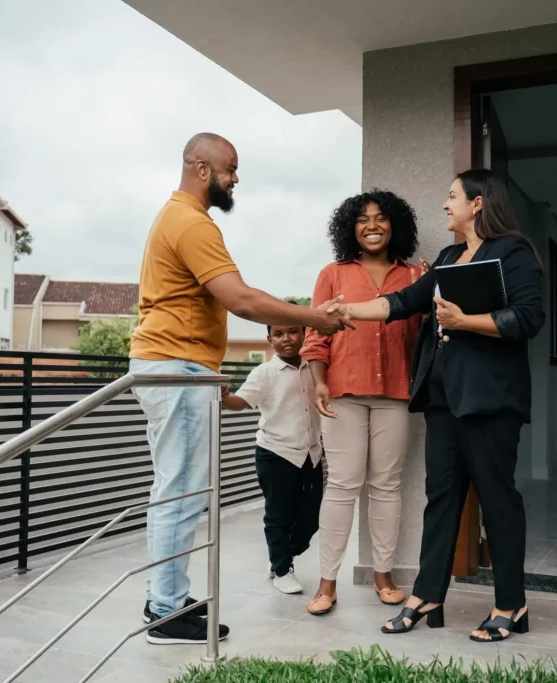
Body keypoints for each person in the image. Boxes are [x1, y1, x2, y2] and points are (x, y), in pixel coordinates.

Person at [129, 132, 351, 645]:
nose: (235, 179)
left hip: (180, 367)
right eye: (230, 169)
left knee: (180, 488)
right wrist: (316, 318)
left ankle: (168, 596)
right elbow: (243, 300)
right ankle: (165, 612)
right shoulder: (188, 220)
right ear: (201, 168)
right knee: (180, 490)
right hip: (174, 366)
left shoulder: (180, 218)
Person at [331, 170, 545, 642]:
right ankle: (428, 594)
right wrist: (342, 310)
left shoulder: (513, 252)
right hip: (444, 400)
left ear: (479, 203)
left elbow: (529, 318)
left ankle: (512, 602)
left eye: (452, 197)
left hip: (491, 401)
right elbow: (401, 302)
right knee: (441, 499)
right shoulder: (449, 258)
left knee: (497, 501)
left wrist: (465, 320)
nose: (445, 205)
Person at [300, 190, 425, 616]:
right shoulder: (332, 274)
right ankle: (327, 582)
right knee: (342, 485)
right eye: (362, 220)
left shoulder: (412, 276)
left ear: (395, 226)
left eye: (381, 218)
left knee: (386, 486)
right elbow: (316, 335)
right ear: (350, 228)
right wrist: (318, 382)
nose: (372, 226)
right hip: (343, 393)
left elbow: (425, 336)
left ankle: (383, 575)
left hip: (395, 393)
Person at [222, 322, 323, 596]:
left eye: (292, 331)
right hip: (275, 453)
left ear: (305, 333)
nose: (286, 339)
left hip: (311, 454)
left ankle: (280, 555)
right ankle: (281, 569)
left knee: (311, 518)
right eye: (278, 334)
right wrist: (225, 398)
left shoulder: (316, 368)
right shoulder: (264, 372)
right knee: (278, 515)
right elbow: (240, 401)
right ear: (270, 340)